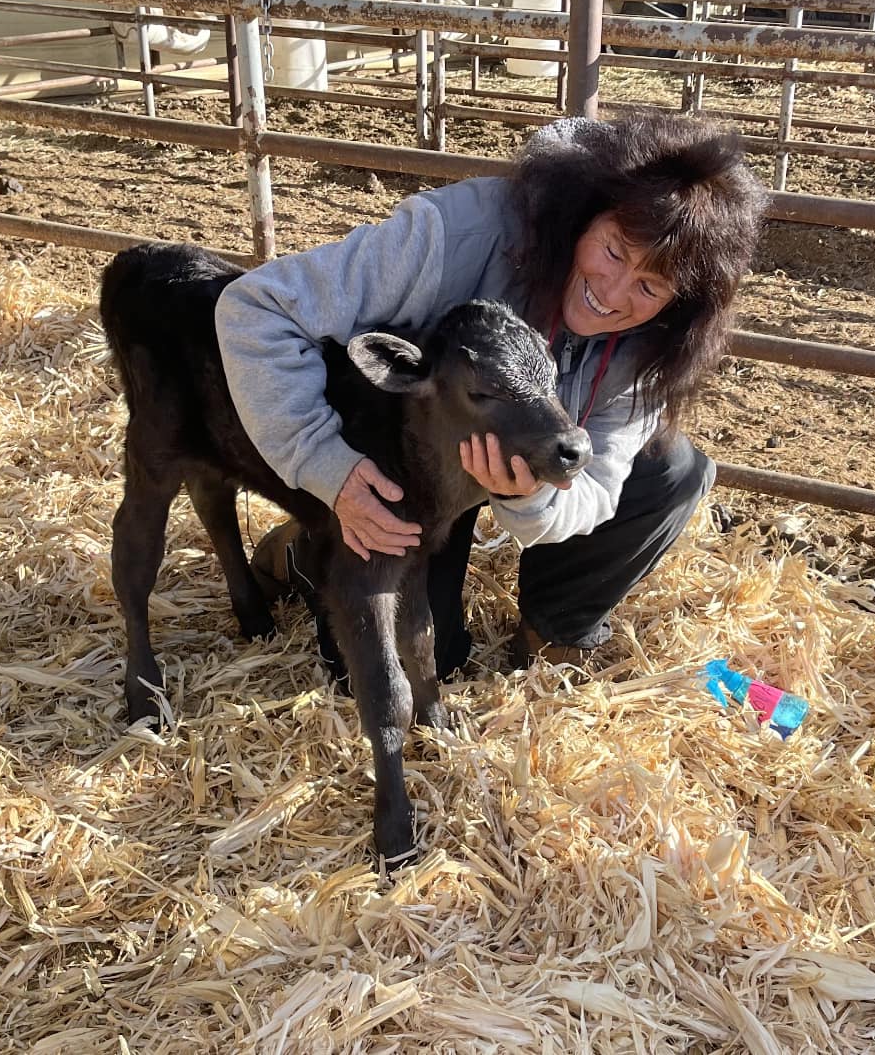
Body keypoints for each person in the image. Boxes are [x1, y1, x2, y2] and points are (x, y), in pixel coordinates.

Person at [214, 112, 769, 678]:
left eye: (650, 286)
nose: (613, 292)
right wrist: (326, 468)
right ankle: (305, 549)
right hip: (407, 462)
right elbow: (255, 308)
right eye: (613, 251)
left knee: (674, 471)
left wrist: (530, 502)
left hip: (520, 451)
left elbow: (598, 489)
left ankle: (557, 624)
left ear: (679, 303)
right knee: (425, 662)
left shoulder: (658, 343)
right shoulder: (458, 234)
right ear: (584, 214)